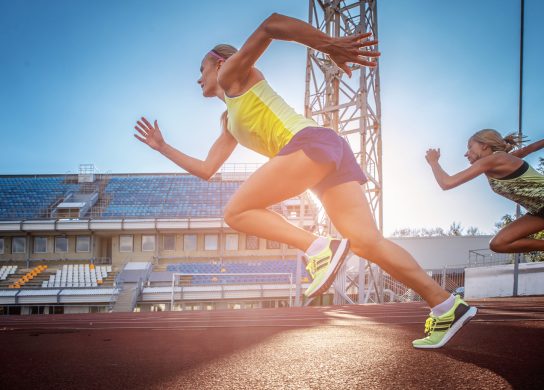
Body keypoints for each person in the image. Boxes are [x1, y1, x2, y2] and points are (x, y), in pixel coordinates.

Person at [134, 13, 476, 348]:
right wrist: (162, 147)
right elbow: (208, 169)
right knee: (367, 242)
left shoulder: (233, 76)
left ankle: (319, 247)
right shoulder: (229, 119)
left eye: (201, 69)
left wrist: (330, 45)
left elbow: (271, 24)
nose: (198, 79)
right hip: (327, 153)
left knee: (236, 212)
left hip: (310, 146)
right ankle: (446, 304)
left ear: (219, 62)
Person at [426, 129, 544, 253]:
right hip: (538, 211)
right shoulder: (502, 159)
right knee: (499, 244)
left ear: (484, 145)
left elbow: (447, 183)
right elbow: (530, 148)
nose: (466, 154)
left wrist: (434, 162)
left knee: (499, 244)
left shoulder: (495, 159)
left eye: (470, 147)